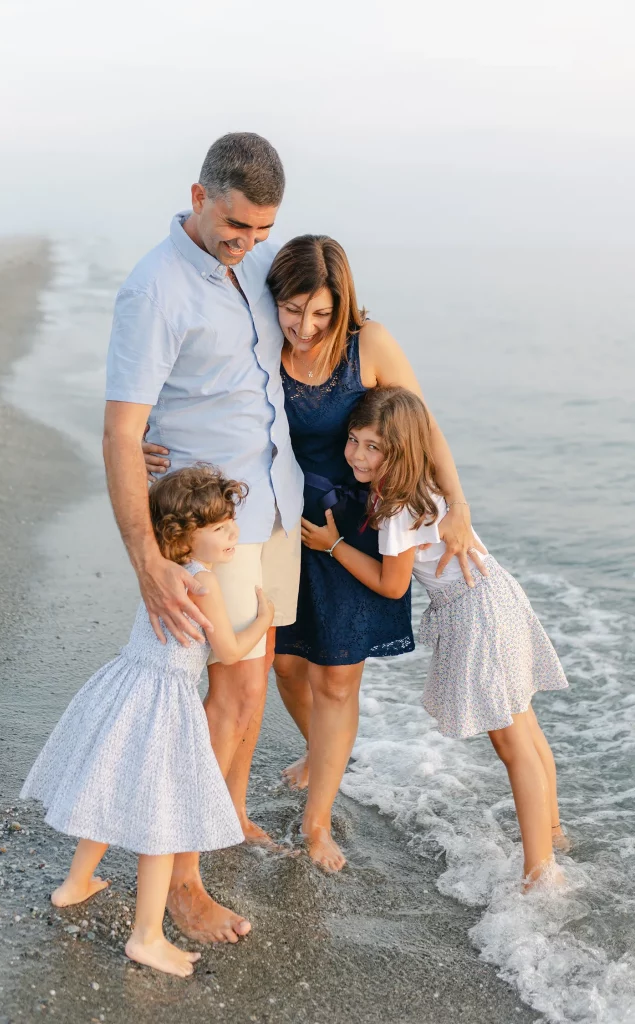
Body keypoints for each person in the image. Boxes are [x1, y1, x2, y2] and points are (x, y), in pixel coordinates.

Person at [145, 234, 486, 872]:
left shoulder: (369, 344)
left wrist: (457, 504)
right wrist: (147, 439)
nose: (305, 328)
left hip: (358, 525)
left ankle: (318, 822)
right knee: (285, 666)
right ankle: (320, 753)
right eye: (294, 310)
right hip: (282, 521)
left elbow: (422, 423)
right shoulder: (263, 340)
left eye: (321, 314)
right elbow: (207, 397)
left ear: (343, 305)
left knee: (337, 679)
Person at [104, 133, 303, 942]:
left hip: (277, 508)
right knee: (220, 693)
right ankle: (181, 880)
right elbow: (121, 433)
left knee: (248, 693)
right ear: (198, 195)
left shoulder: (258, 267)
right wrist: (149, 562)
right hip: (211, 532)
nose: (248, 243)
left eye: (261, 229)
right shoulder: (152, 290)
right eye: (235, 227)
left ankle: (227, 816)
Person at [302, 386, 570, 885]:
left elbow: (391, 584)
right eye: (354, 440)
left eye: (373, 446)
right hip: (497, 595)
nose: (358, 455)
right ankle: (552, 834)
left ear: (398, 450)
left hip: (476, 616)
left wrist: (333, 544)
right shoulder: (427, 484)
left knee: (513, 745)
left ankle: (540, 871)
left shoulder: (399, 506)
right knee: (527, 729)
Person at [21, 465, 275, 975]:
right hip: (166, 703)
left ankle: (75, 885)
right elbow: (225, 650)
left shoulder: (159, 568)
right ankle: (146, 936)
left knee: (109, 788)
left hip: (126, 685)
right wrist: (264, 622)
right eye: (221, 528)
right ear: (183, 534)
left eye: (232, 524)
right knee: (162, 818)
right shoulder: (203, 583)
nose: (234, 535)